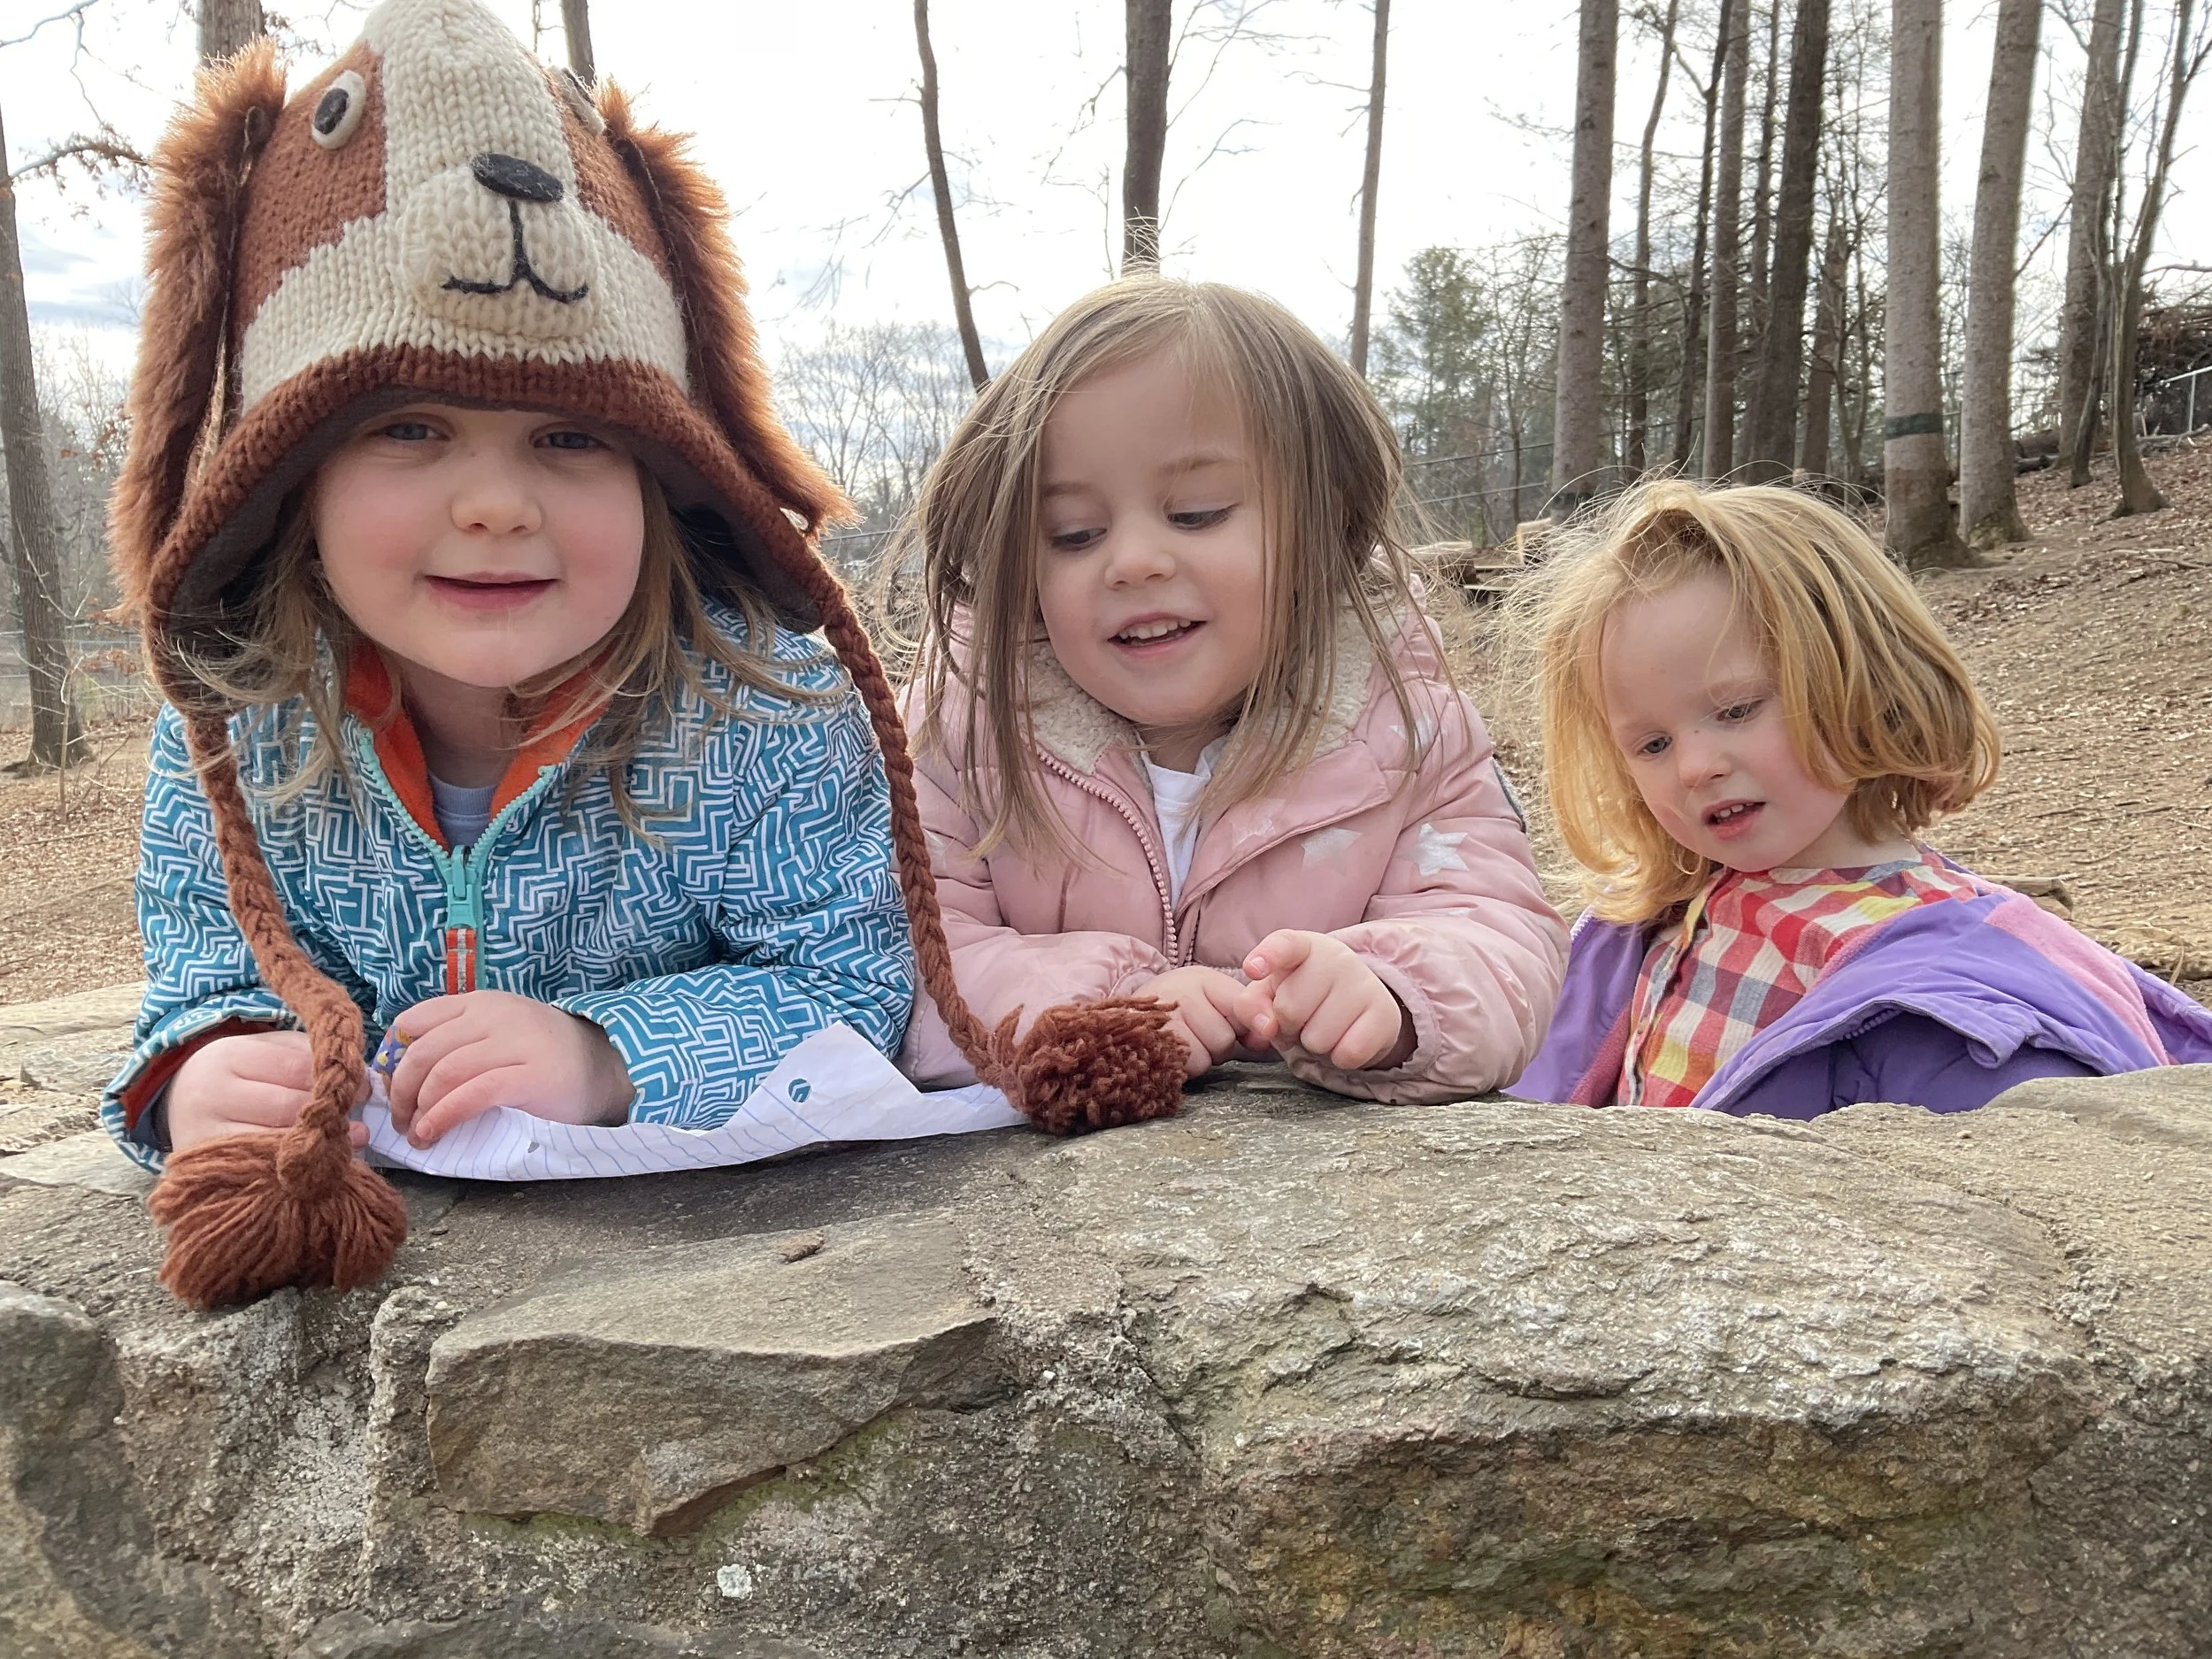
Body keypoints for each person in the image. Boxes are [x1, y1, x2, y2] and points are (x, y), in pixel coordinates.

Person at [101, 0, 1147, 1311]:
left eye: (571, 437)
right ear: (288, 480)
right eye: (412, 428)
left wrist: (611, 1053)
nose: (495, 503)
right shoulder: (232, 732)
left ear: (667, 475)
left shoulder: (762, 706)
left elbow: (852, 977)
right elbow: (199, 973)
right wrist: (204, 1068)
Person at [897, 279, 1568, 1102]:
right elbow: (911, 971)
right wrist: (1114, 1005)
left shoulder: (1404, 726)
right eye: (1075, 533)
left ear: (1321, 528)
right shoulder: (967, 734)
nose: (1133, 559)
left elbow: (1503, 933)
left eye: (1198, 513)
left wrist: (1391, 994)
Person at [1509, 479, 2212, 1118]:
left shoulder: (1959, 1019)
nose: (1694, 766)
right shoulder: (1661, 919)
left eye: (1738, 710)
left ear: (1863, 677)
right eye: (1652, 745)